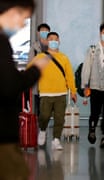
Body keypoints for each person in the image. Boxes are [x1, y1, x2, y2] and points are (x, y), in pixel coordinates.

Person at [0, 0, 50, 179]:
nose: (22, 24)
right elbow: (9, 85)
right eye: (23, 18)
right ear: (13, 11)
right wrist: (36, 71)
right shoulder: (1, 42)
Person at [33, 32, 77, 150]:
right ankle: (42, 130)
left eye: (56, 39)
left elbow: (69, 75)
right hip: (46, 93)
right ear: (47, 42)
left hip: (61, 93)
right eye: (51, 39)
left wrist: (73, 91)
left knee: (59, 118)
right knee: (44, 116)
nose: (53, 41)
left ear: (59, 42)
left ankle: (56, 140)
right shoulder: (40, 57)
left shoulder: (64, 58)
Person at [28, 23, 51, 115]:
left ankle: (44, 127)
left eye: (46, 31)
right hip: (38, 84)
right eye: (42, 31)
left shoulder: (52, 47)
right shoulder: (34, 48)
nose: (44, 33)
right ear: (38, 33)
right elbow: (30, 65)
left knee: (48, 109)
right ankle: (40, 128)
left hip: (50, 83)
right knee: (39, 109)